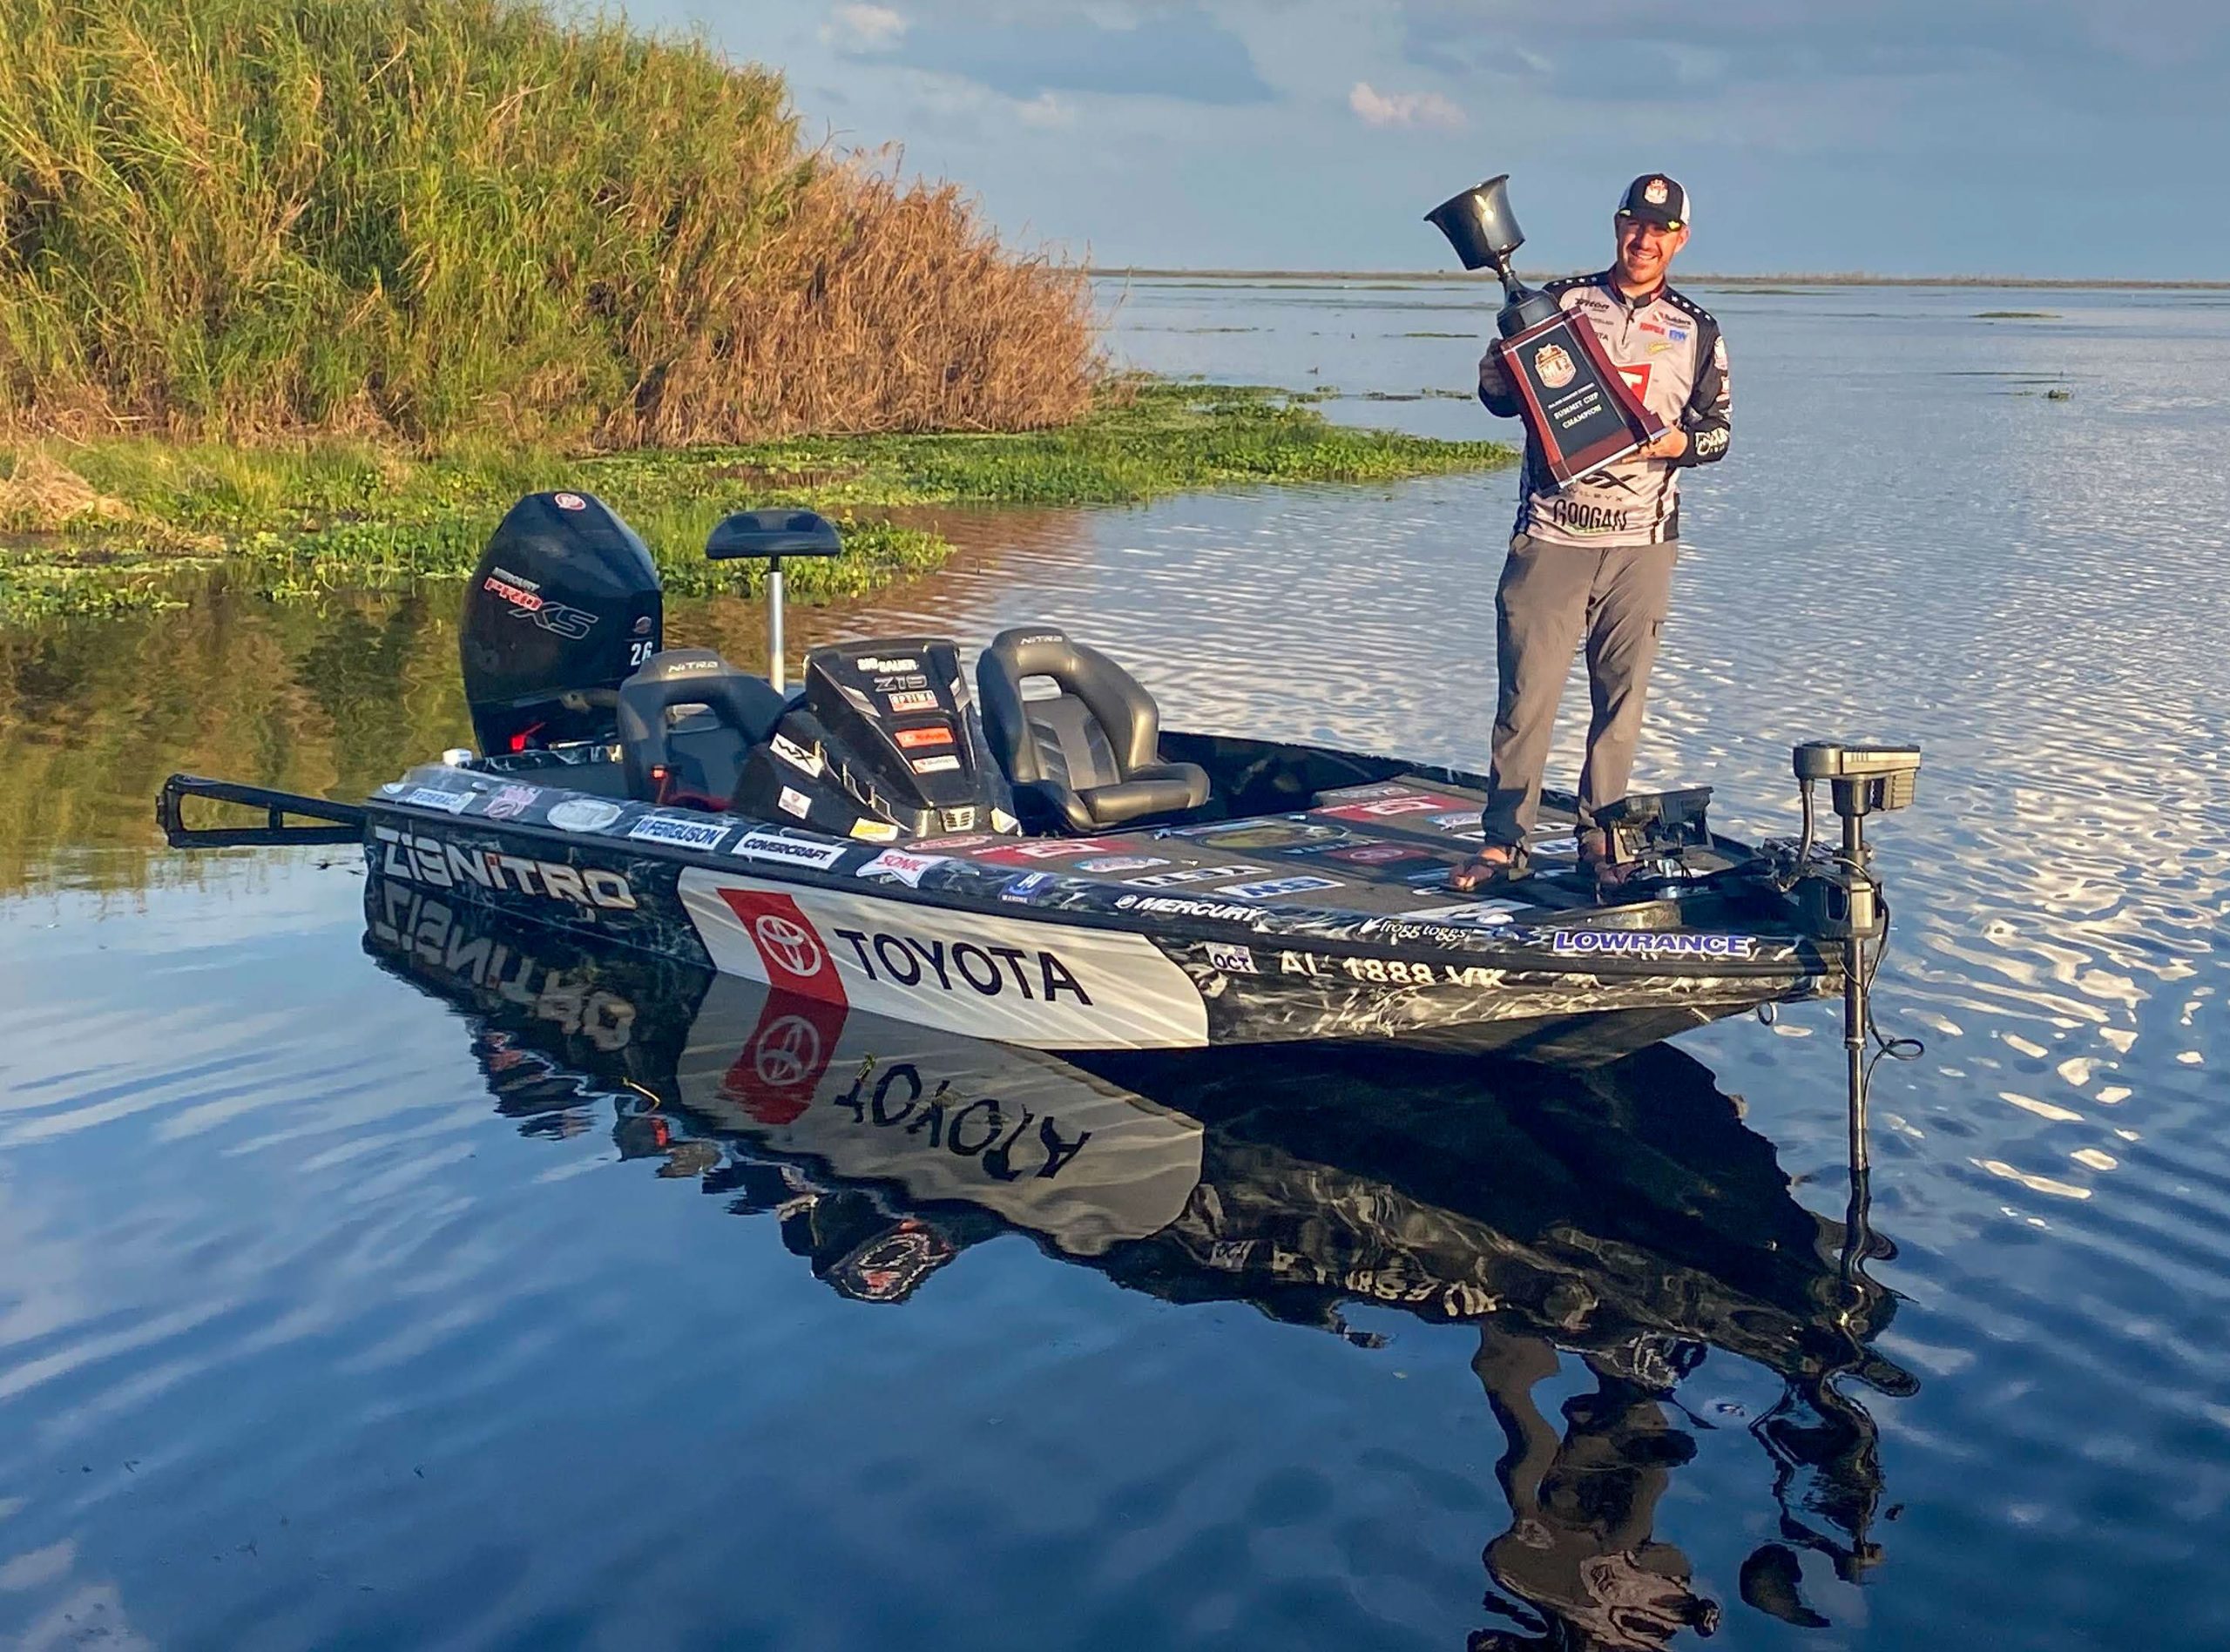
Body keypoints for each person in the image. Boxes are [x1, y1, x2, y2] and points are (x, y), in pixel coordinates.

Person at [1451, 173, 1732, 893]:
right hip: (1552, 535)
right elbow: (1501, 401)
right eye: (1634, 223)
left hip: (1643, 545)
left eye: (1660, 230)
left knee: (1621, 704)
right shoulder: (1562, 303)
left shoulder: (1697, 329)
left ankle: (1603, 840)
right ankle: (1504, 842)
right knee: (1526, 699)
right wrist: (1494, 380)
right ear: (1617, 226)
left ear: (1680, 240)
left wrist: (1677, 443)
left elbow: (1718, 434)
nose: (1645, 239)